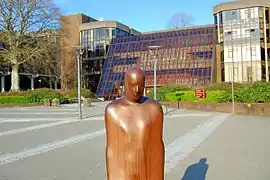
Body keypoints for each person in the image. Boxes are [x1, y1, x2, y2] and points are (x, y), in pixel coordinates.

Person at [104, 66, 165, 180]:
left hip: (147, 169)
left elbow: (157, 147)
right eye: (133, 85)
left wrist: (158, 175)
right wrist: (113, 176)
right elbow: (112, 149)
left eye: (141, 85)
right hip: (123, 170)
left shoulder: (154, 108)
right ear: (126, 84)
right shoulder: (112, 110)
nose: (137, 89)